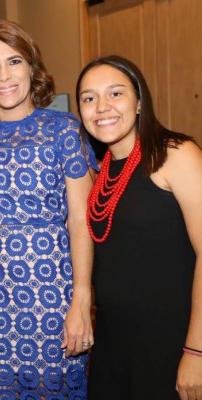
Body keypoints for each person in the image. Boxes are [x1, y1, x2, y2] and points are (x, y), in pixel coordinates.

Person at [0, 20, 97, 398]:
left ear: (31, 68)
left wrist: (81, 299)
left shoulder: (63, 130)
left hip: (52, 300)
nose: (4, 76)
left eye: (14, 61)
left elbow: (80, 220)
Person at [76, 55, 202, 400]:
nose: (101, 107)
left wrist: (197, 352)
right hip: (113, 346)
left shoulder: (175, 154)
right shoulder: (101, 171)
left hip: (173, 343)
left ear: (138, 102)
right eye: (89, 98)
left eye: (115, 94)